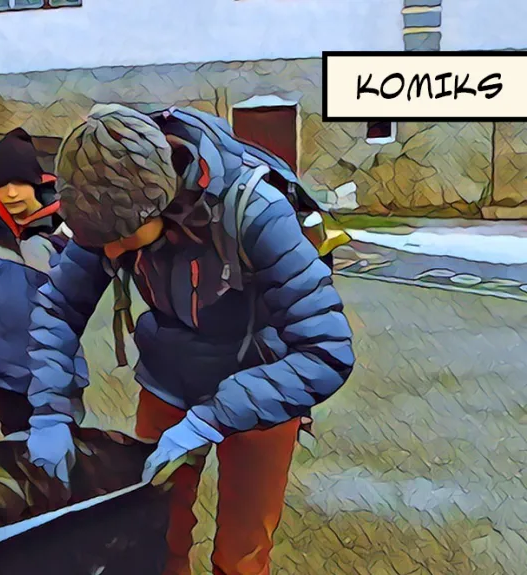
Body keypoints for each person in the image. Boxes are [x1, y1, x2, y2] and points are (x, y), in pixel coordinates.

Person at [24, 104, 355, 575]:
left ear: (160, 200)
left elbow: (326, 350)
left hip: (262, 385)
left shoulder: (256, 212)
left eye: (121, 238)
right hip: (168, 378)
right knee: (152, 531)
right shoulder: (107, 203)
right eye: (101, 241)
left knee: (240, 556)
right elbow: (58, 305)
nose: (111, 253)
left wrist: (212, 419)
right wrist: (50, 412)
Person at [0, 128, 88, 436]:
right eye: (1, 185)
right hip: (2, 383)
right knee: (18, 463)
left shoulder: (66, 234)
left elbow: (81, 303)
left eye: (17, 182)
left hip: (58, 379)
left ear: (35, 179)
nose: (11, 193)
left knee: (60, 463)